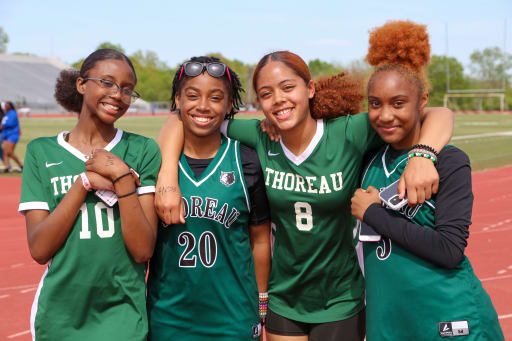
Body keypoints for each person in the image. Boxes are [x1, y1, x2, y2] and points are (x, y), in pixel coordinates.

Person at [156, 51, 453, 341]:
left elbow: (438, 113)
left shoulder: (347, 133)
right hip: (283, 298)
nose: (279, 99)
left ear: (309, 89)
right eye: (267, 93)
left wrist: (423, 156)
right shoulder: (258, 135)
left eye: (288, 87)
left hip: (340, 299)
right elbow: (180, 119)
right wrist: (168, 175)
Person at [351, 20, 504, 340]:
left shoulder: (448, 160)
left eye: (398, 103)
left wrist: (374, 213)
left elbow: (449, 249)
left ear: (422, 102)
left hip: (447, 315)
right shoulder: (369, 159)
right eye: (375, 103)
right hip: (390, 320)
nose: (385, 115)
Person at [18, 48, 160, 341]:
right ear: (82, 84)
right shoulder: (41, 152)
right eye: (107, 82)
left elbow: (143, 250)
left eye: (127, 89)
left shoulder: (142, 150)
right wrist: (83, 183)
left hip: (124, 315)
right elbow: (39, 249)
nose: (117, 95)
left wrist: (121, 178)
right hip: (60, 317)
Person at [146, 56, 271, 340]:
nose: (203, 106)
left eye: (216, 98)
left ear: (229, 105)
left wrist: (261, 304)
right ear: (177, 100)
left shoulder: (245, 161)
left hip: (233, 317)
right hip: (168, 317)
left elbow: (260, 240)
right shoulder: (155, 163)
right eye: (192, 95)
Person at [1, 101, 23, 172]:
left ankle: (21, 166)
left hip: (12, 134)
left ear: (10, 106)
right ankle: (7, 168)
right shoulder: (6, 114)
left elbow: (10, 123)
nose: (5, 107)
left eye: (6, 105)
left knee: (9, 152)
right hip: (6, 135)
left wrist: (2, 126)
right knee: (5, 152)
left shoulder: (13, 113)